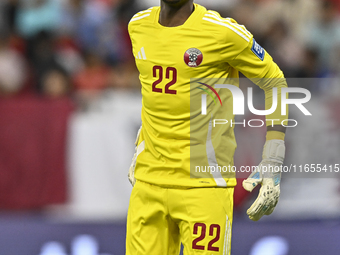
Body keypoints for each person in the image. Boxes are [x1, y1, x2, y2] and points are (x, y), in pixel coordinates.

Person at [126, 0, 287, 254]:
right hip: (149, 184)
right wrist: (141, 143)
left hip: (204, 187)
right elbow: (157, 94)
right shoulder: (138, 26)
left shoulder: (223, 33)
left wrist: (274, 157)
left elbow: (275, 82)